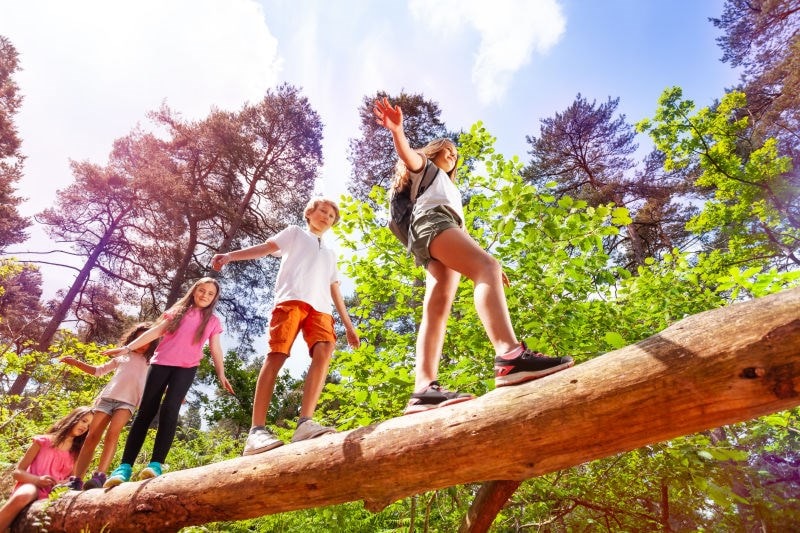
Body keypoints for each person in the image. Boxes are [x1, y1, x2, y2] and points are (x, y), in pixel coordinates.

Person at [373, 97, 574, 415]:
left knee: (437, 309)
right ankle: (509, 356)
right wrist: (398, 131)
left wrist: (485, 264)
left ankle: (423, 389)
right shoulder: (426, 170)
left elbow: (460, 233)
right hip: (432, 224)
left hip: (433, 234)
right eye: (446, 151)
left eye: (455, 154)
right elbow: (409, 156)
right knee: (485, 268)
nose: (452, 156)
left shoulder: (448, 189)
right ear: (433, 153)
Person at [211, 196, 360, 456]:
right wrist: (230, 256)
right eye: (322, 211)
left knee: (325, 350)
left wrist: (348, 326)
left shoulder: (330, 253)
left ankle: (305, 423)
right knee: (278, 355)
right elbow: (266, 248)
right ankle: (256, 431)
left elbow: (335, 289)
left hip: (321, 308)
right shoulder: (294, 234)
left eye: (331, 216)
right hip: (291, 301)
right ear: (310, 213)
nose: (326, 217)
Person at [102, 277, 234, 487]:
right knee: (145, 412)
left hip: (186, 369)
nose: (205, 296)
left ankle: (155, 464)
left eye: (210, 294)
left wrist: (221, 373)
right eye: (202, 291)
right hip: (161, 364)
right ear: (194, 291)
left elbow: (216, 349)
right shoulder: (178, 312)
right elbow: (154, 332)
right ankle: (124, 467)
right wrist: (127, 348)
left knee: (170, 410)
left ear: (214, 298)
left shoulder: (213, 321)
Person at [59, 323, 158, 490]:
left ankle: (100, 476)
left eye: (145, 341)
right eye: (138, 339)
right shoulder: (122, 356)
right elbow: (98, 371)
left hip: (128, 402)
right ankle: (76, 479)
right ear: (132, 340)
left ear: (151, 342)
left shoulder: (151, 362)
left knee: (112, 435)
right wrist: (76, 363)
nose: (141, 344)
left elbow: (157, 382)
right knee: (91, 437)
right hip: (107, 398)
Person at [0, 407, 93, 531]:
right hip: (33, 485)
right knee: (23, 495)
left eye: (89, 426)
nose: (85, 427)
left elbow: (73, 479)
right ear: (73, 418)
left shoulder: (76, 452)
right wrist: (38, 480)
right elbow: (17, 473)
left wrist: (63, 483)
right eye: (84, 421)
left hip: (57, 493)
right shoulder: (43, 441)